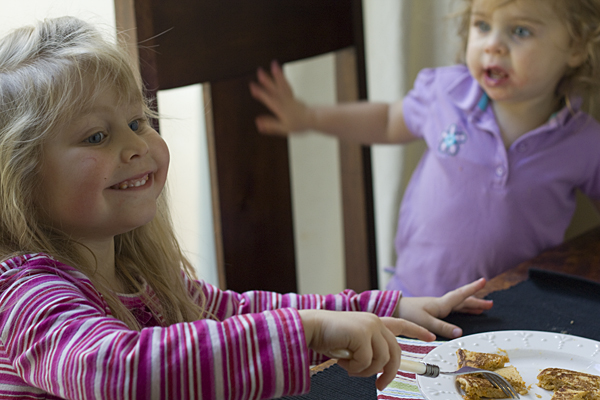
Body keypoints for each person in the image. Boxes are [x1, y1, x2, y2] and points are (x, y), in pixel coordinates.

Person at [0, 16, 494, 400]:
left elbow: (233, 311)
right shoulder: (24, 296)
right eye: (97, 136)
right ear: (17, 180)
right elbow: (114, 369)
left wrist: (380, 308)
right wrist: (310, 332)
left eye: (137, 120)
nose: (135, 146)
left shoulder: (134, 273)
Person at [250, 0, 600, 297]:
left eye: (520, 31)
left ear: (575, 47)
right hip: (413, 298)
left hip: (509, 310)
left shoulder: (583, 141)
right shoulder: (445, 95)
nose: (492, 45)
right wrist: (310, 117)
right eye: (481, 25)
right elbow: (386, 120)